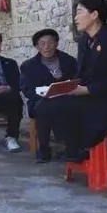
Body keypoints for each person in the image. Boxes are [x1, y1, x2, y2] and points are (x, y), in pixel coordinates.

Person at [38, 0, 107, 162]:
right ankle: (73, 146)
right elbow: (82, 73)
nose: (75, 18)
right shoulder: (84, 41)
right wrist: (68, 86)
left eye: (79, 12)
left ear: (94, 15)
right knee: (45, 104)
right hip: (89, 95)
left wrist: (87, 90)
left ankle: (80, 147)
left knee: (67, 108)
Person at [19, 29, 78, 163]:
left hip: (66, 98)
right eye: (42, 43)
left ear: (56, 44)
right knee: (44, 107)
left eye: (50, 43)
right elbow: (27, 90)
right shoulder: (29, 66)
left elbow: (77, 80)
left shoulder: (69, 61)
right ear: (37, 46)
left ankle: (71, 147)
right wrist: (45, 94)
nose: (46, 47)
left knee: (72, 106)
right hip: (40, 101)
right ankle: (45, 148)